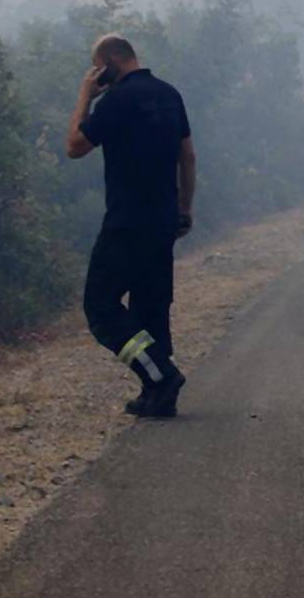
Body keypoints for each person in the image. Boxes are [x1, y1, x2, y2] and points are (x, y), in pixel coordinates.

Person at [64, 34, 196, 419]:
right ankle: (156, 394)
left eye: (97, 69)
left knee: (101, 307)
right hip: (163, 220)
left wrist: (85, 96)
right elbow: (187, 156)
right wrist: (184, 209)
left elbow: (74, 145)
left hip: (127, 222)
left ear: (107, 64)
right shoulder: (171, 94)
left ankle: (163, 378)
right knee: (149, 306)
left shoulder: (116, 101)